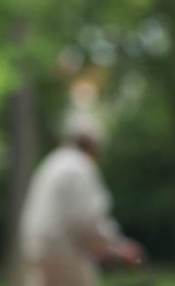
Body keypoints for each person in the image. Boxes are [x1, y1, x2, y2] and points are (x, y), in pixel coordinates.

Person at [18, 106, 143, 286]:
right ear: (94, 147)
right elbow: (88, 219)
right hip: (63, 251)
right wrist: (119, 246)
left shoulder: (54, 160)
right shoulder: (81, 167)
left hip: (35, 248)